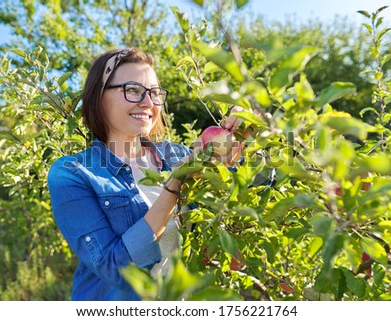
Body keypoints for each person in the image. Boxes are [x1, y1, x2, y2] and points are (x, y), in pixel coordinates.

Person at [47, 48, 245, 300]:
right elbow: (114, 267)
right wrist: (175, 185)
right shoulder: (72, 173)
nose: (148, 102)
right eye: (132, 90)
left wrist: (245, 134)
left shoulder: (175, 155)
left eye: (154, 93)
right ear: (98, 97)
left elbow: (249, 191)